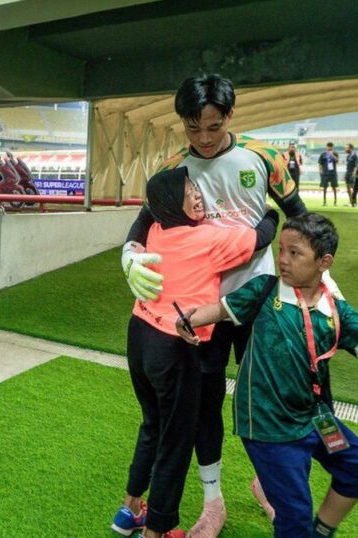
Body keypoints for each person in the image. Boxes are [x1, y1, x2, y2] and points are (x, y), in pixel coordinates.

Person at [121, 74, 341, 537]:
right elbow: (142, 224)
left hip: (263, 298)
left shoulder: (263, 156)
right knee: (204, 403)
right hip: (204, 311)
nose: (203, 138)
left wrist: (321, 273)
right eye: (193, 128)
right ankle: (212, 502)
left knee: (280, 394)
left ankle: (269, 484)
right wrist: (129, 257)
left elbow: (298, 215)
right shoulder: (172, 167)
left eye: (213, 127)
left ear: (229, 116)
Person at [176, 213, 358, 538]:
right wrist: (189, 320)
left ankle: (320, 532)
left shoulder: (336, 311)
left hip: (314, 418)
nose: (283, 260)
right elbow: (218, 310)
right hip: (267, 425)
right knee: (294, 516)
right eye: (281, 250)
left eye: (295, 252)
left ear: (324, 262)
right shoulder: (264, 290)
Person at [114, 167, 280, 538]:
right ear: (173, 202)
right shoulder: (208, 238)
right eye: (189, 190)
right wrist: (271, 213)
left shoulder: (157, 230)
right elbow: (260, 238)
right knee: (176, 442)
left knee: (152, 424)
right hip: (173, 348)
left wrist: (128, 250)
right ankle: (158, 531)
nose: (198, 194)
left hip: (138, 336)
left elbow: (143, 221)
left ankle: (129, 510)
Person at [318, 142, 340, 207]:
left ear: (332, 147)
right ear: (326, 147)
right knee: (325, 187)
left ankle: (335, 202)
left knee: (334, 187)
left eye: (331, 146)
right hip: (325, 173)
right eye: (328, 146)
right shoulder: (323, 154)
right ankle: (324, 202)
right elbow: (320, 163)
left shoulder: (335, 153)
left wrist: (332, 155)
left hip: (333, 173)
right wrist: (320, 171)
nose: (329, 148)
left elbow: (337, 161)